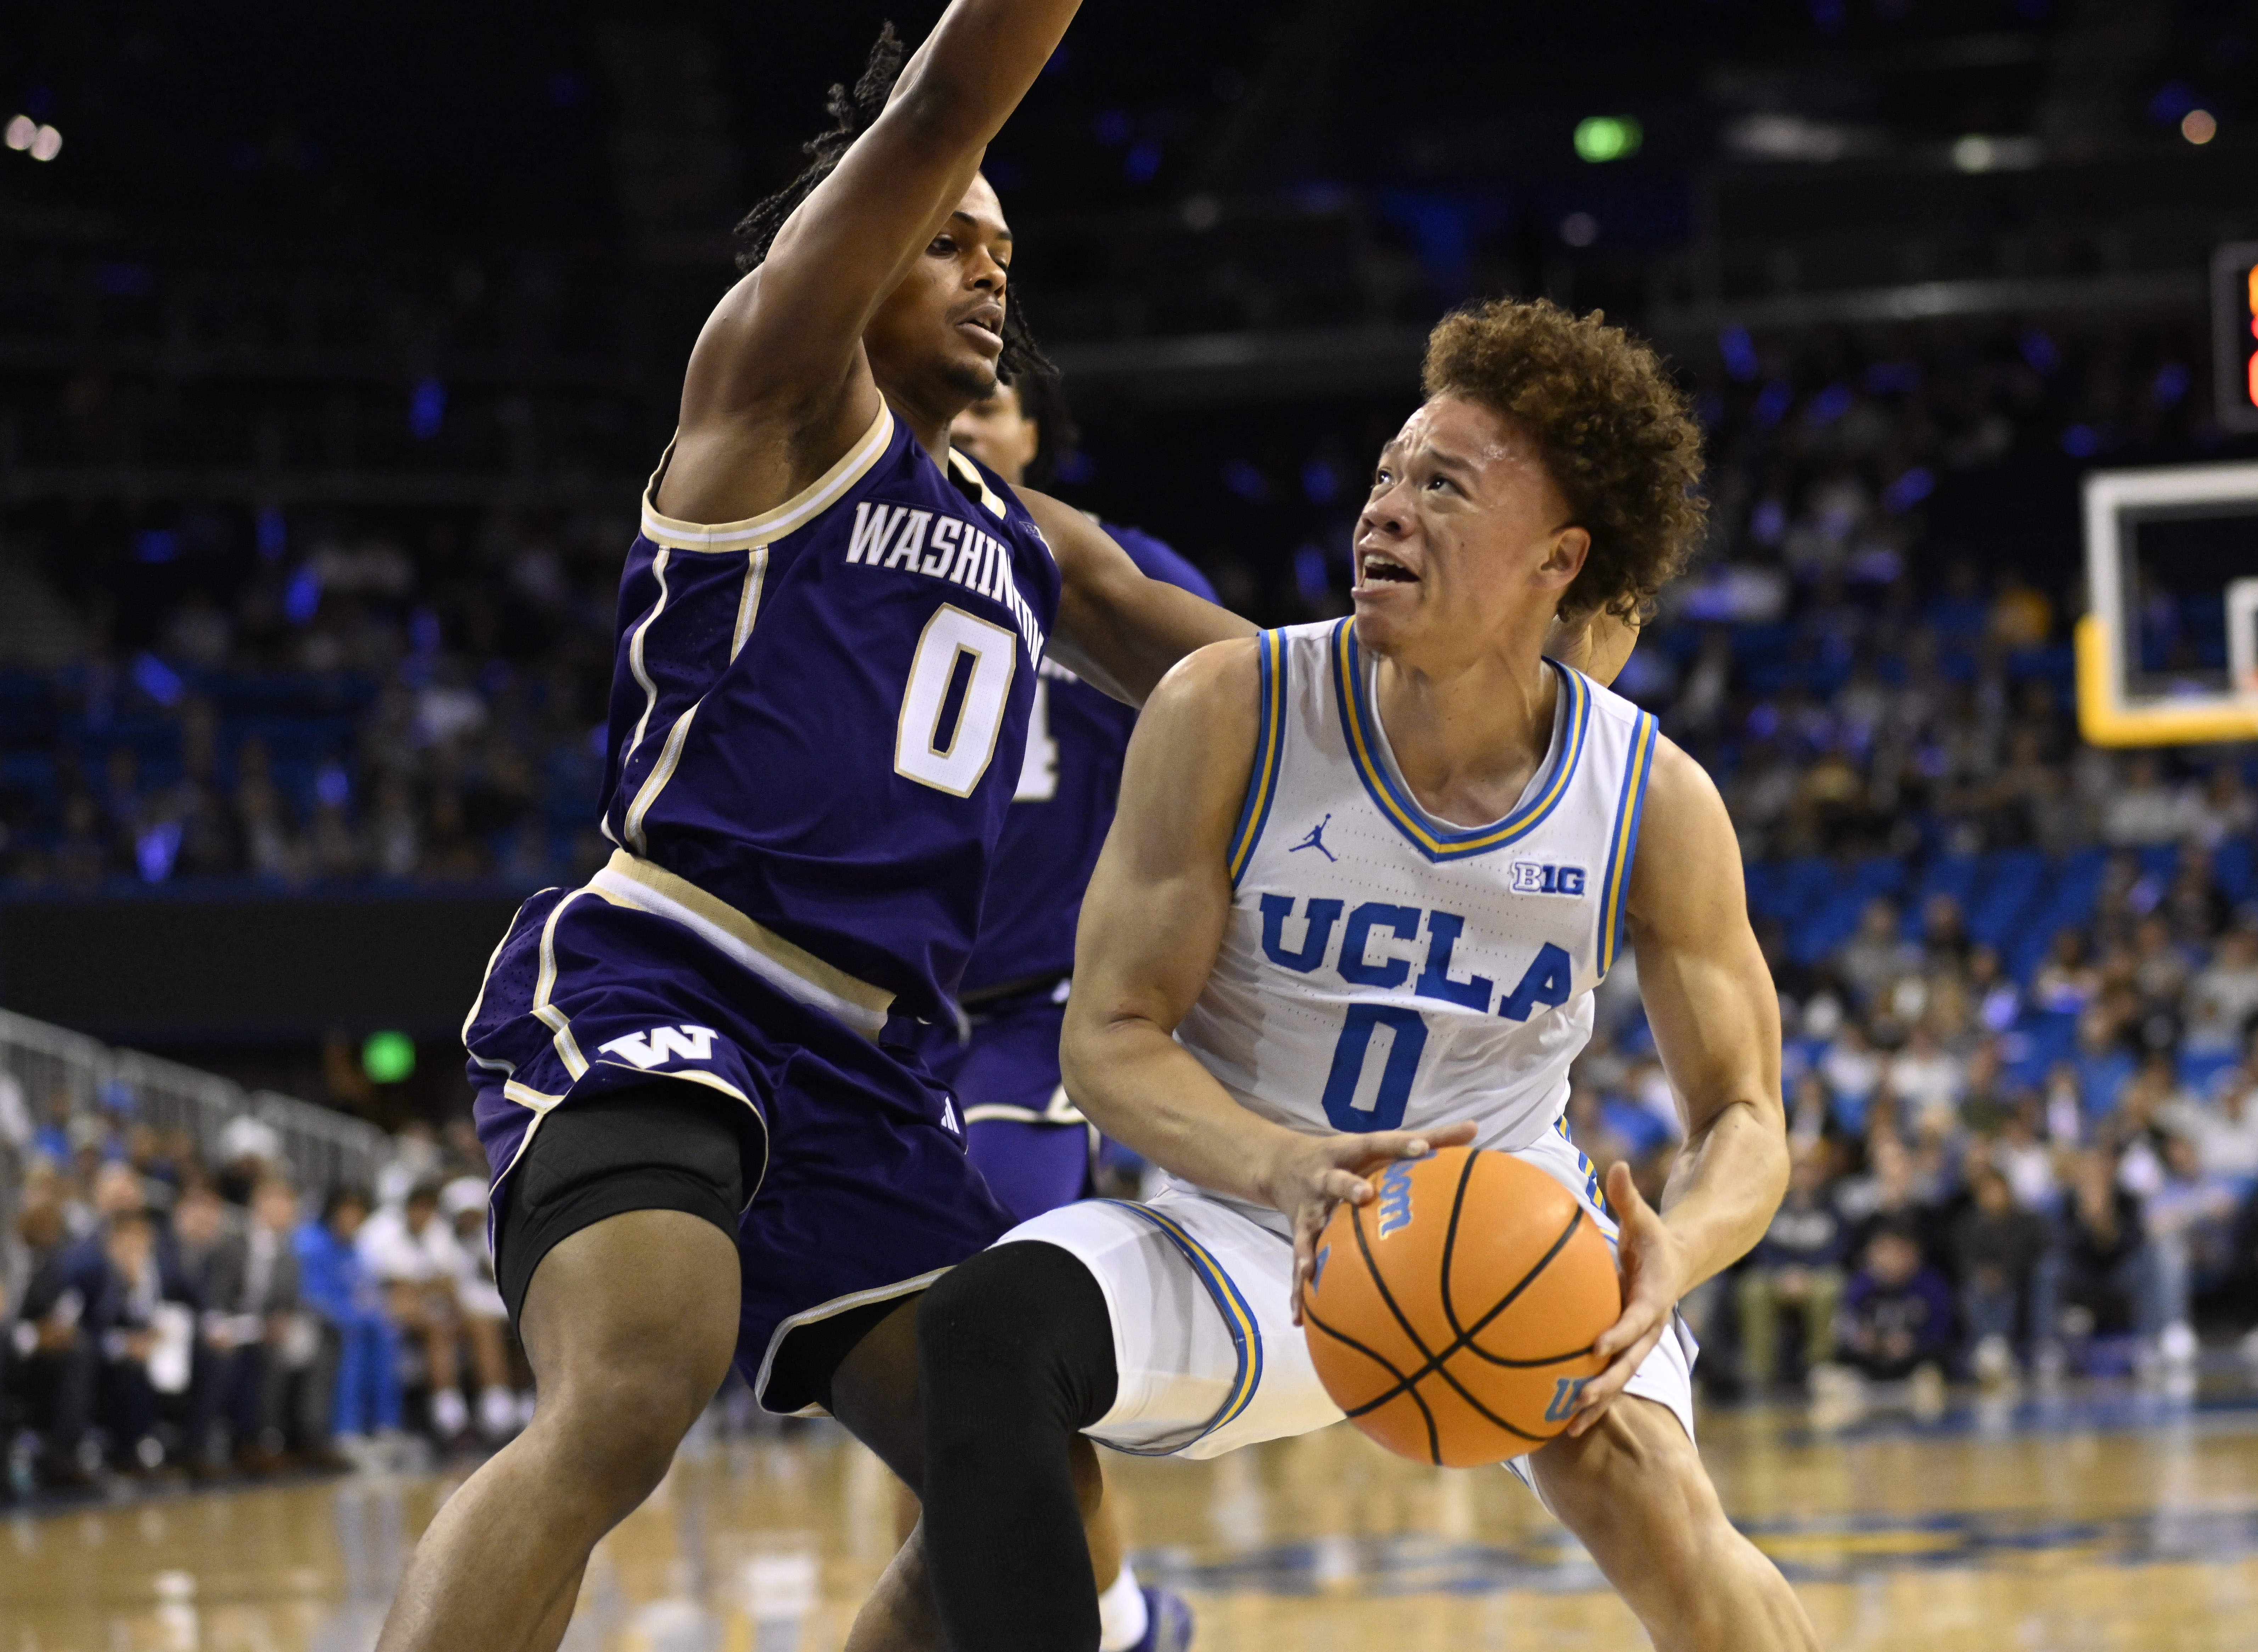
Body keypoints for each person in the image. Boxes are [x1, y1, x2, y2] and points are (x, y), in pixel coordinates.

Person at [373, 7, 1260, 1648]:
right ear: (853, 241)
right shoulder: (777, 396)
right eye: (949, 239)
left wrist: (1468, 697)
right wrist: (950, 116)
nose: (992, 272)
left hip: (873, 1067)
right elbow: (939, 105)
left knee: (1020, 1475)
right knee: (639, 1377)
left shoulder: (1026, 533)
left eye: (1006, 252)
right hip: (672, 967)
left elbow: (1230, 667)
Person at [914, 299, 1818, 1651]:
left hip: (1507, 1225)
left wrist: (1668, 1256)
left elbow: (1747, 1118)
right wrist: (1283, 1166)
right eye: (1388, 474)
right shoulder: (1231, 709)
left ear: (1556, 560)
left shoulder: (1651, 796)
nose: (1385, 510)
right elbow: (1106, 1038)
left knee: (1670, 1524)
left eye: (1442, 487)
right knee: (985, 1337)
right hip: (1245, 1222)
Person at [905, 374, 1210, 1649]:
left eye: (997, 401)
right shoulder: (857, 555)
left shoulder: (1110, 573)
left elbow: (1238, 735)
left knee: (976, 1340)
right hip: (881, 1017)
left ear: (1038, 434)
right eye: (952, 400)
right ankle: (1125, 1618)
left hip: (1035, 1017)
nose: (972, 420)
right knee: (925, 1376)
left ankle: (1093, 1620)